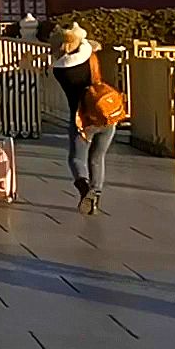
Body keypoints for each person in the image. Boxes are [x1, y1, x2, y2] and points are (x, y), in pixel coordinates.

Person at [52, 22, 116, 214]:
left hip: (82, 118)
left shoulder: (60, 70)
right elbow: (91, 46)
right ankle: (95, 197)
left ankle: (85, 188)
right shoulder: (93, 57)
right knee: (97, 158)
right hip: (105, 114)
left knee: (76, 159)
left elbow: (67, 55)